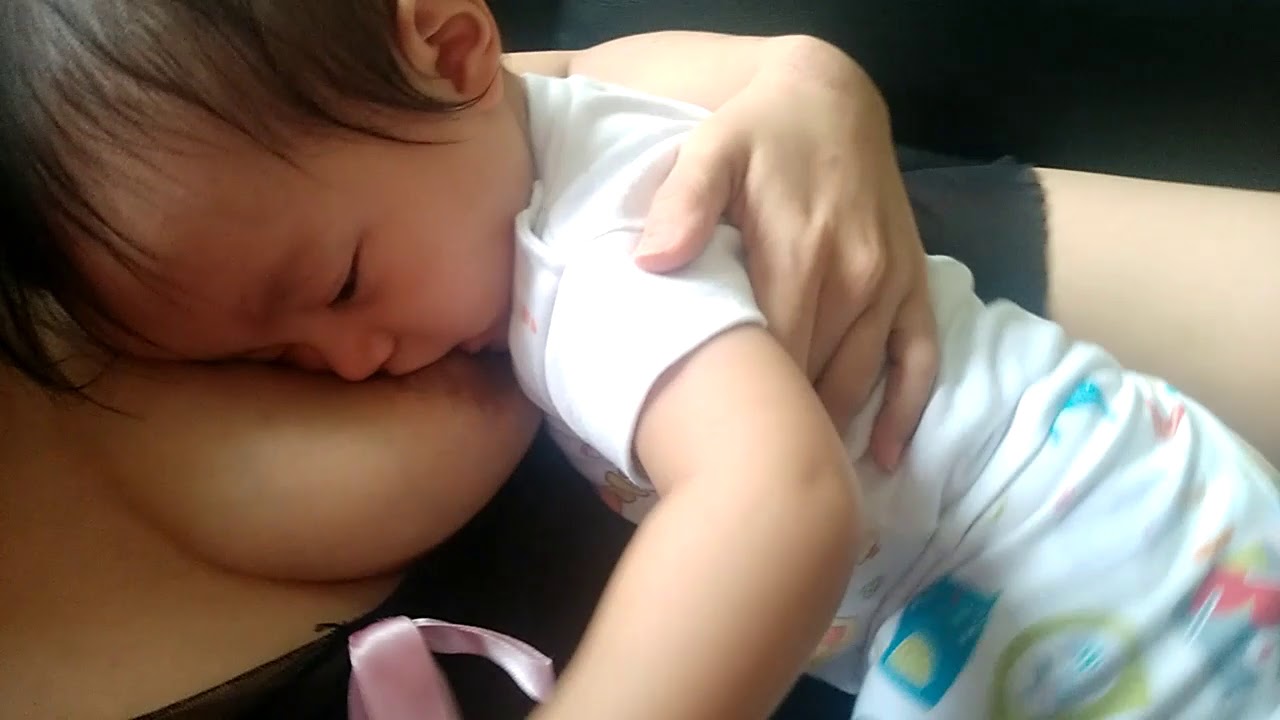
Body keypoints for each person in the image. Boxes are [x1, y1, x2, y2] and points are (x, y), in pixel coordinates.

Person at [8, 1, 1280, 718]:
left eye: (340, 285)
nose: (350, 363)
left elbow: (772, 501)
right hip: (1082, 535)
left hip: (1111, 585)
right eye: (276, 356)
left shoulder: (591, 257)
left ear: (451, 50)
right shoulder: (510, 136)